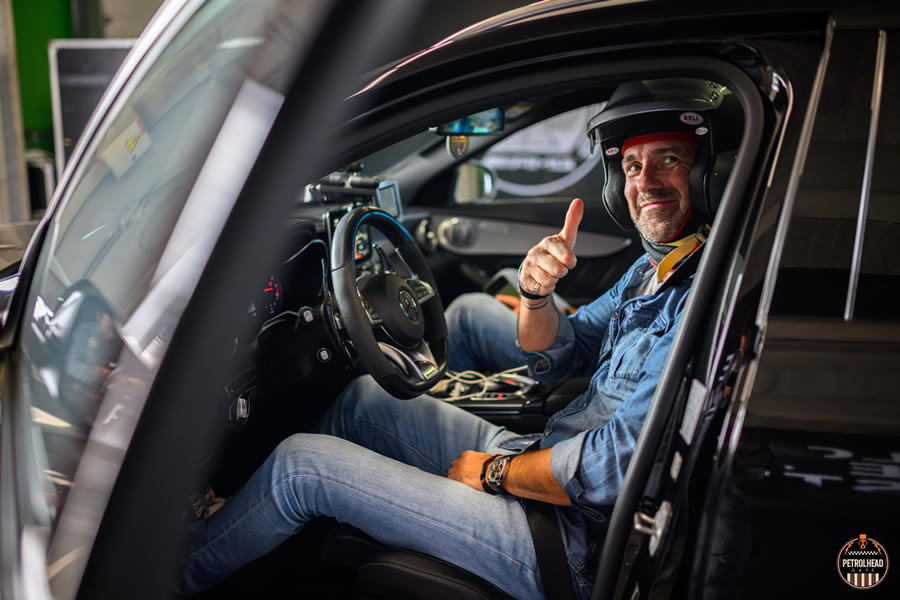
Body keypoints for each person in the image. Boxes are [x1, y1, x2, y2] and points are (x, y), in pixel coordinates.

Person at [181, 79, 735, 599]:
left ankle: (173, 575)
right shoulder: (652, 271)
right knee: (361, 402)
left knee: (302, 467)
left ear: (707, 173)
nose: (645, 181)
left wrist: (493, 473)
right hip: (545, 463)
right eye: (633, 165)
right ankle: (268, 531)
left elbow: (612, 468)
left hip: (568, 545)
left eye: (669, 159)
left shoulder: (699, 297)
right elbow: (562, 349)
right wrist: (536, 295)